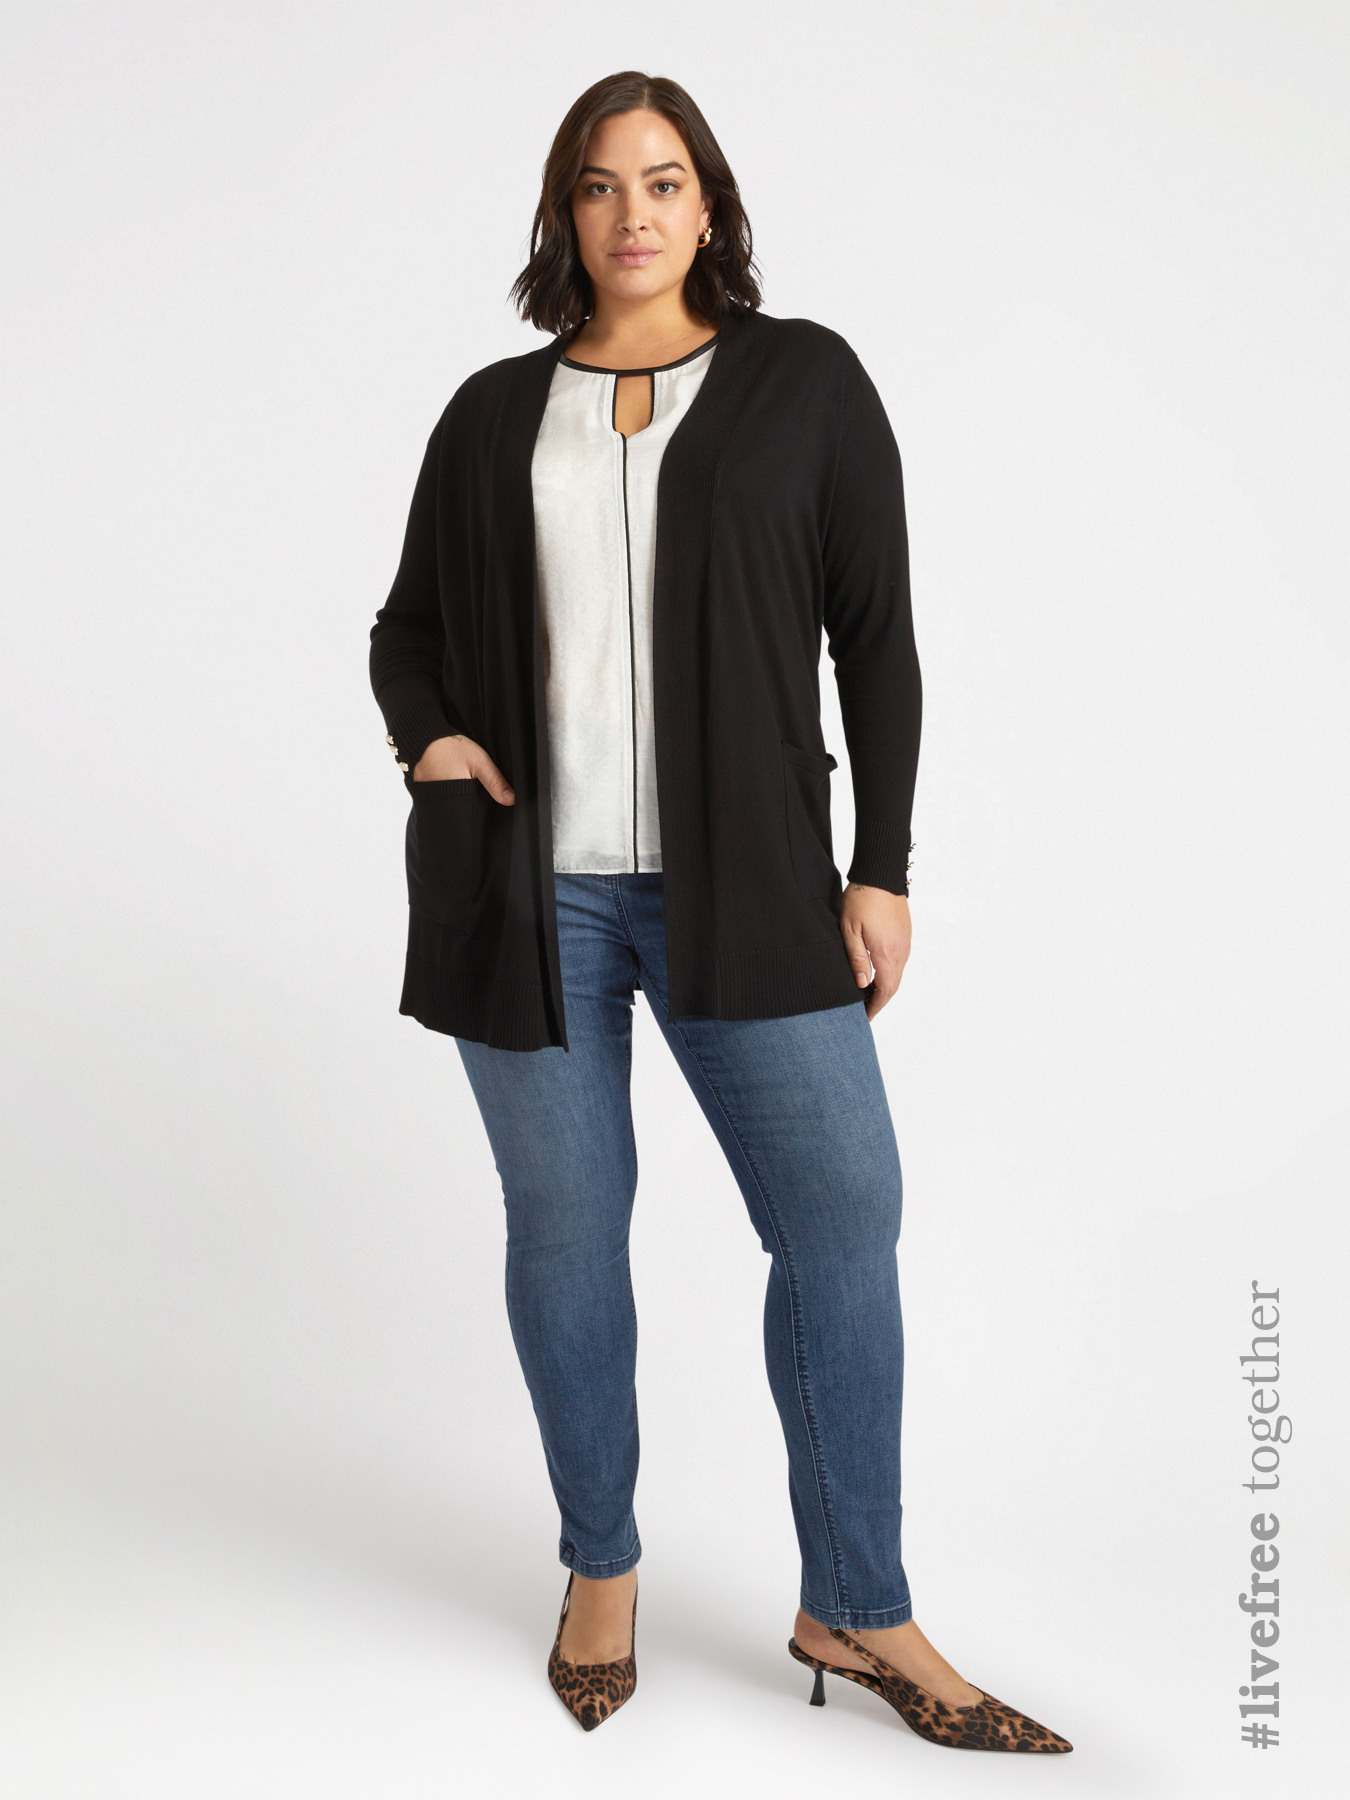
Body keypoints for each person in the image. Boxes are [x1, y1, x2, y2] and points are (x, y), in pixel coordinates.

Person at [368, 70, 1071, 1753]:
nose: (632, 214)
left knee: (840, 1222)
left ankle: (857, 1602)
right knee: (565, 1231)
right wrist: (434, 743)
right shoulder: (490, 413)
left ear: (708, 205)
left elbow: (875, 638)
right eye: (600, 184)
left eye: (663, 180)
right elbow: (405, 630)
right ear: (564, 211)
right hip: (526, 893)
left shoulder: (801, 382)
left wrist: (881, 865)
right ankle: (598, 1567)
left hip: (746, 886)